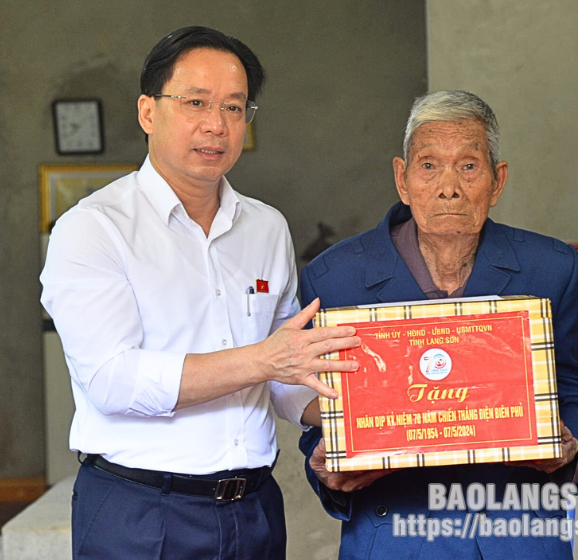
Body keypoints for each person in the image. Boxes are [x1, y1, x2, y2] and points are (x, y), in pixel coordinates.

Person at [40, 26, 360, 560]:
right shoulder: (93, 228)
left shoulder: (266, 227)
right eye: (196, 103)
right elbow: (113, 381)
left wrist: (372, 423)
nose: (216, 125)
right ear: (148, 112)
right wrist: (263, 360)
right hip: (140, 512)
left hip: (253, 509)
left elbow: (286, 377)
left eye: (235, 108)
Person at [298, 90, 578, 559]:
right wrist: (326, 465)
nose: (448, 187)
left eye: (468, 166)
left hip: (516, 536)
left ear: (497, 181)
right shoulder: (335, 278)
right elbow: (328, 408)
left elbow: (572, 385)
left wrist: (571, 447)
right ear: (402, 179)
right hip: (394, 533)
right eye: (428, 166)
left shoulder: (550, 269)